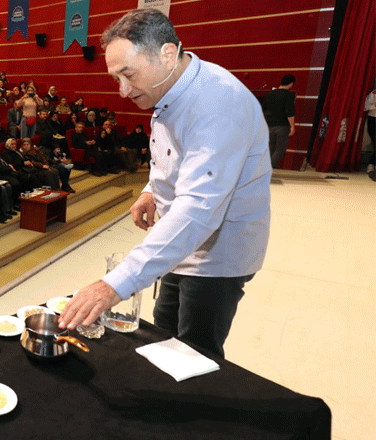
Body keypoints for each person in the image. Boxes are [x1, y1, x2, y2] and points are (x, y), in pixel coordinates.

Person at [59, 9, 271, 358]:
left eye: (129, 74)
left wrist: (113, 285)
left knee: (195, 353)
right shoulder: (170, 86)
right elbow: (175, 155)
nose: (124, 91)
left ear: (167, 54)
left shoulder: (217, 104)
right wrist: (151, 192)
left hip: (217, 252)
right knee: (162, 331)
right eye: (116, 78)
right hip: (179, 244)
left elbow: (199, 211)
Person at [261, 74, 296, 169]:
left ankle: (262, 169)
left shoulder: (270, 94)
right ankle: (266, 170)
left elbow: (263, 109)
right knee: (280, 149)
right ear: (291, 84)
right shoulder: (289, 95)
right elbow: (290, 112)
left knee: (271, 149)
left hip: (269, 125)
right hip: (282, 126)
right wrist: (292, 126)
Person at [366, 87, 376, 181]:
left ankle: (371, 165)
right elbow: (367, 107)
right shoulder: (373, 93)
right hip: (373, 119)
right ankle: (371, 165)